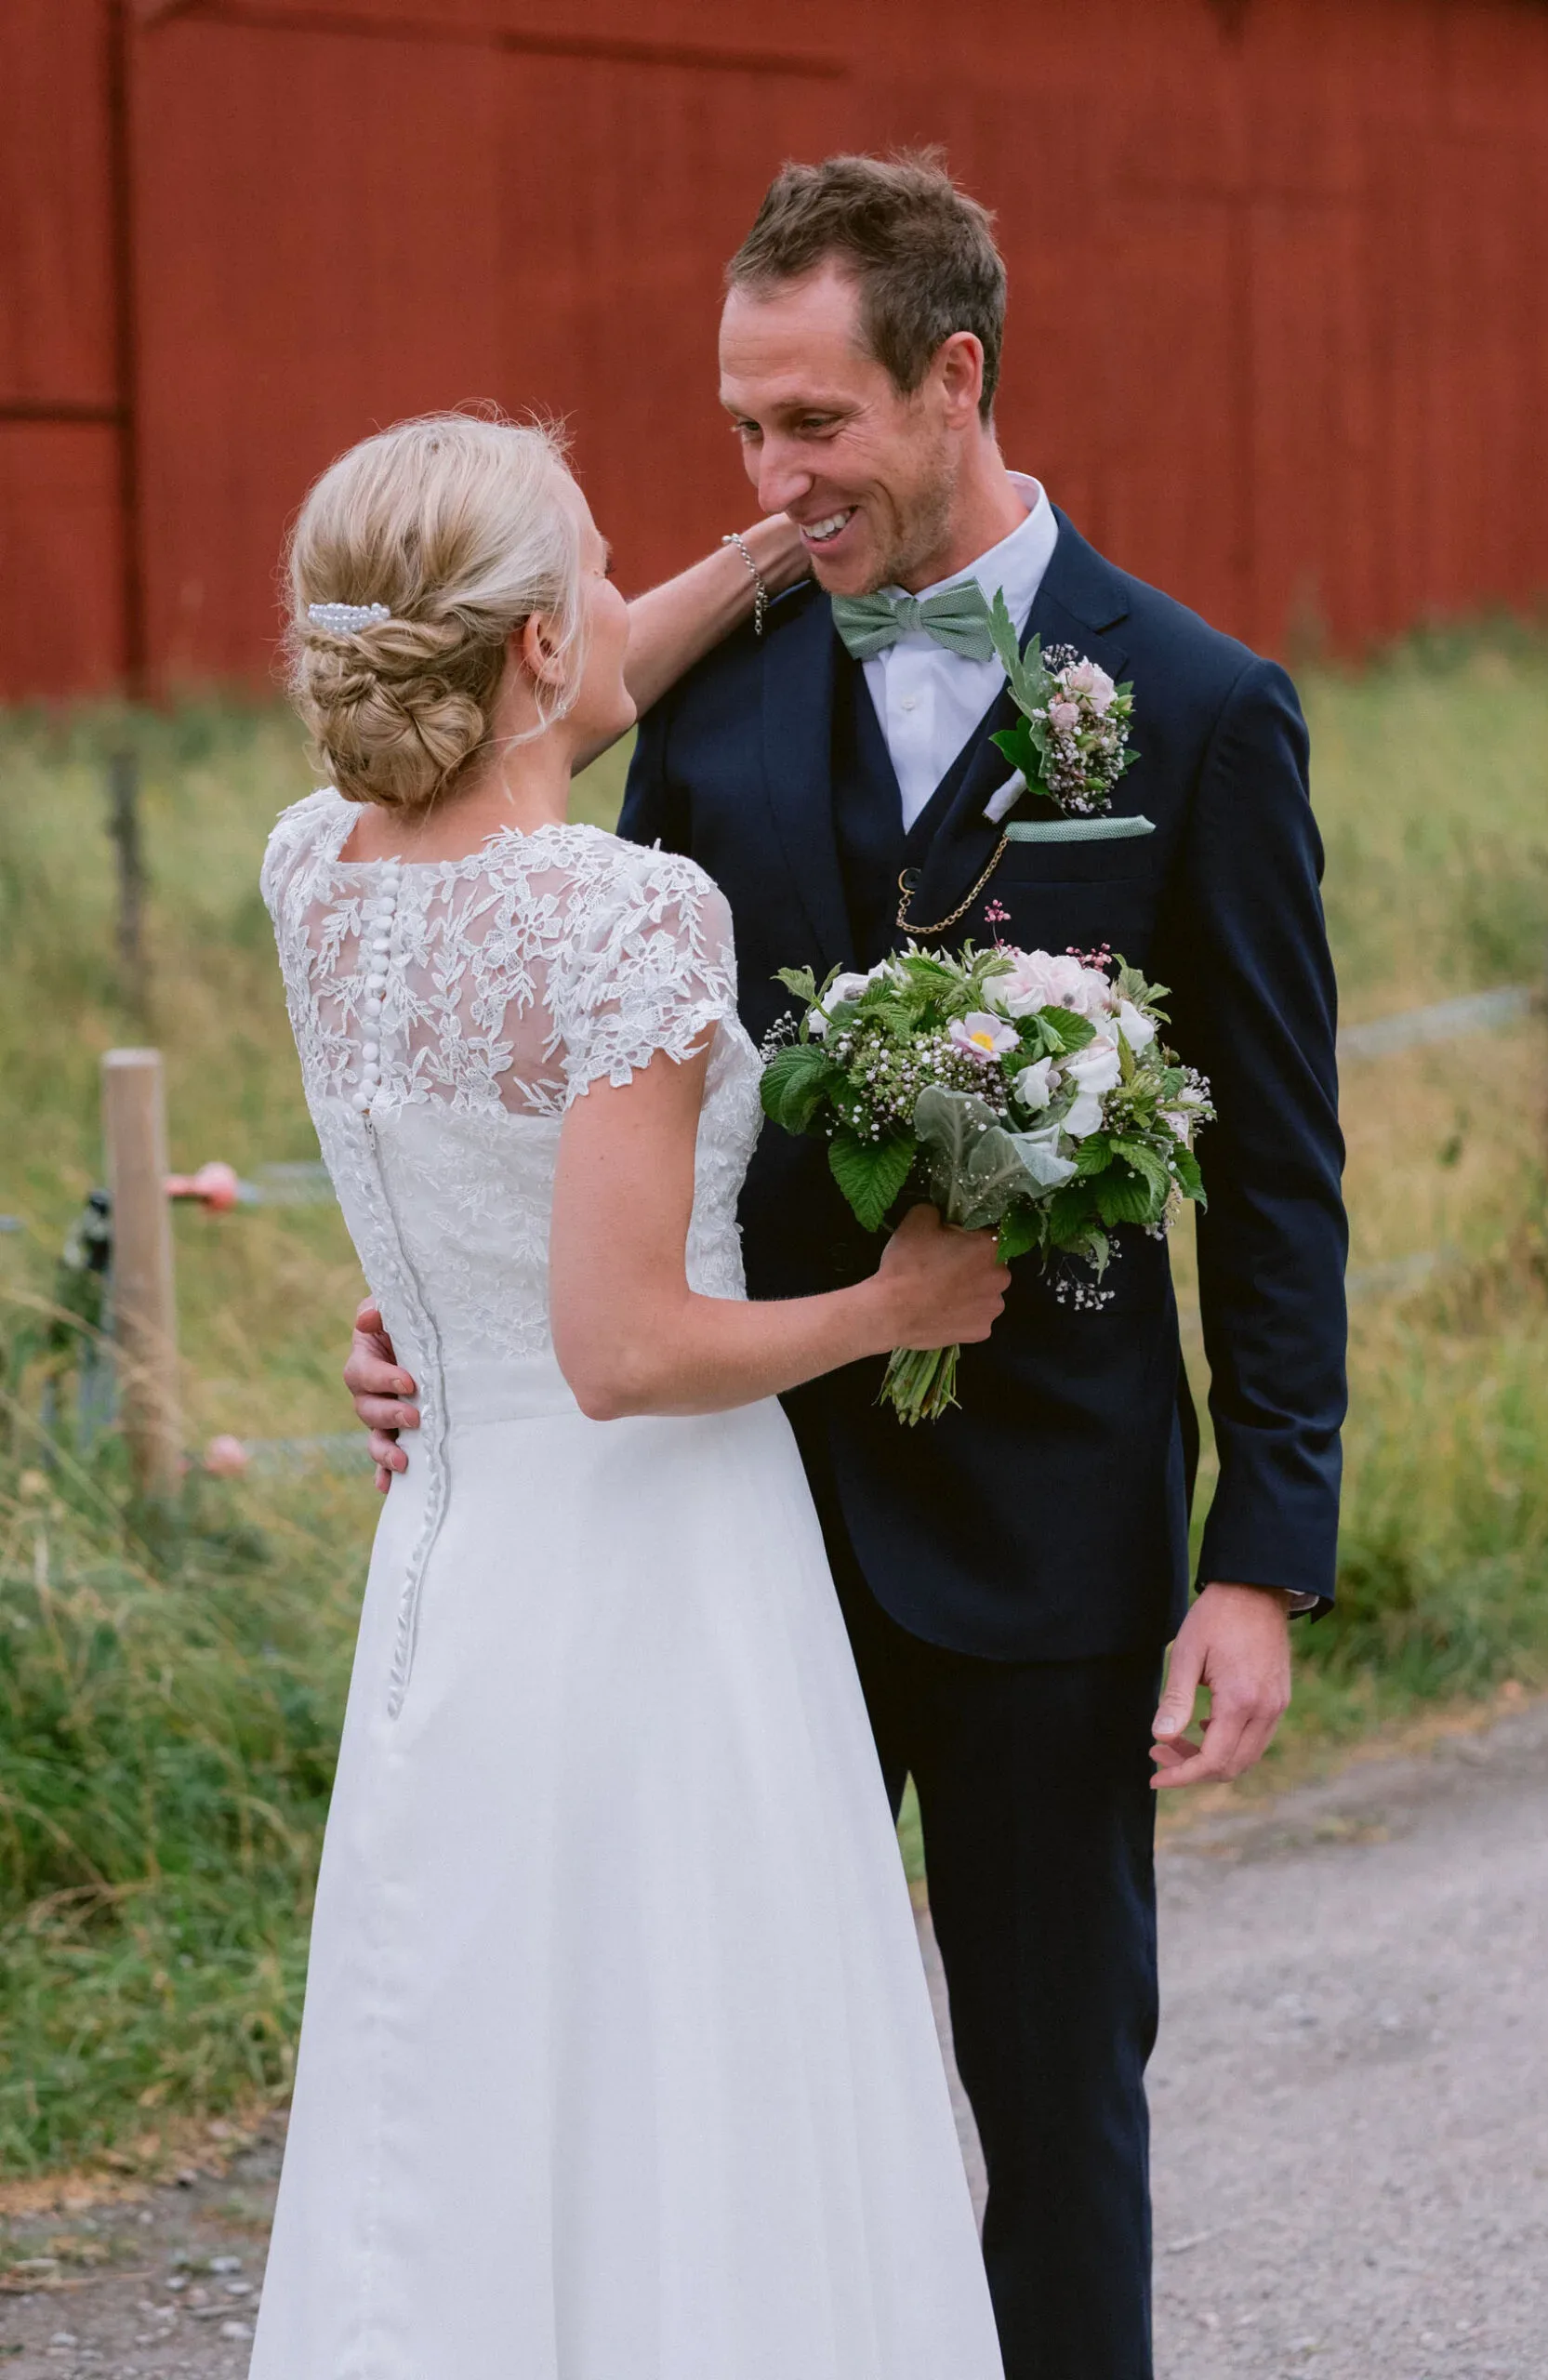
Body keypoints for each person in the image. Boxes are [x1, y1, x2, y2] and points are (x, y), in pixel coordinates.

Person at [348, 153, 1350, 2380]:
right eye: (739, 432)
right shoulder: (704, 704)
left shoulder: (1190, 708)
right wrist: (445, 1299)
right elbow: (586, 1065)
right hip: (727, 1529)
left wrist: (1259, 1555)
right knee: (720, 2105)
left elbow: (1278, 1173)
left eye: (814, 426)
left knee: (1049, 2102)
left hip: (1052, 1543)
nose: (774, 475)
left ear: (952, 377)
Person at [251, 409, 1012, 2379]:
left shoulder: (315, 869)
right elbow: (624, 1351)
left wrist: (770, 554)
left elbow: (484, 1221)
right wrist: (897, 1296)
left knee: (483, 2063)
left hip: (451, 1566)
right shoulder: (622, 915)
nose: (618, 598)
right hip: (661, 1574)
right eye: (592, 568)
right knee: (697, 2049)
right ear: (524, 647)